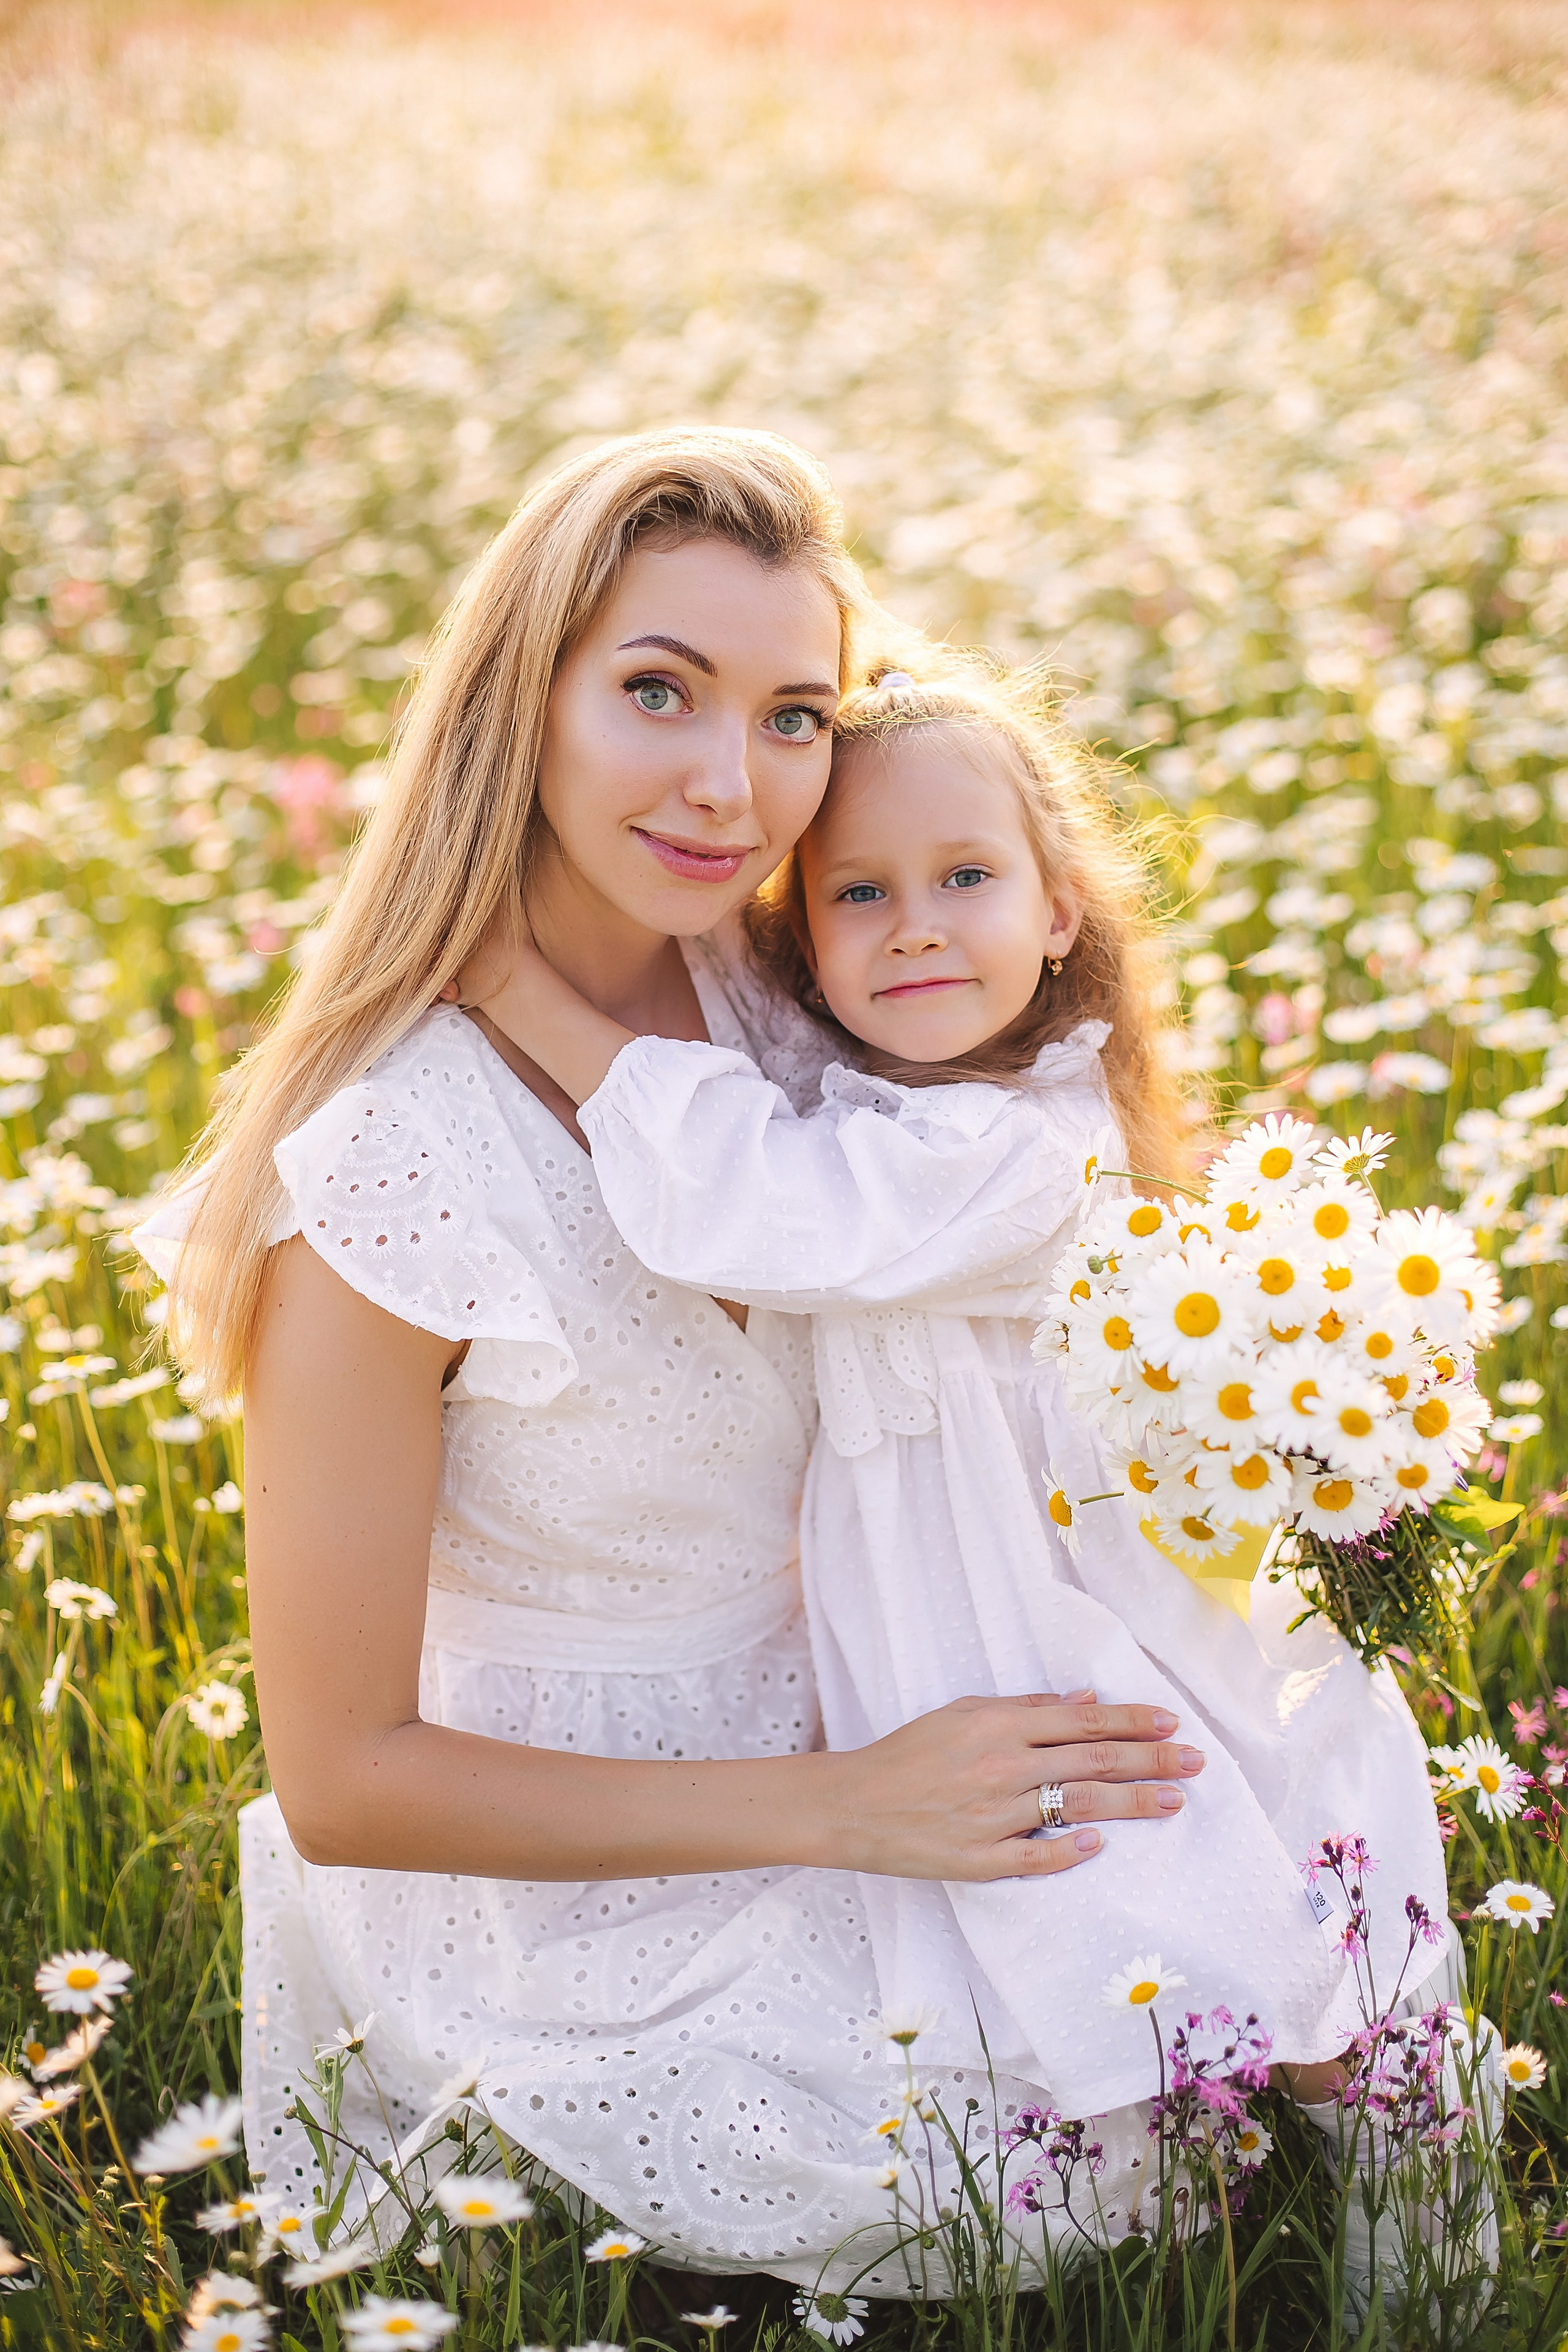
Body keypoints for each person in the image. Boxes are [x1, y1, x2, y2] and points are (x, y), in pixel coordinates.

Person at [134, 429, 1197, 2293]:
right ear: (518, 704)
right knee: (1012, 2171)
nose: (734, 785)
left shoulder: (798, 990)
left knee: (1202, 2031)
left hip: (876, 1727)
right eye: (656, 692)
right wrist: (847, 1810)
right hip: (566, 1880)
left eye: (795, 718)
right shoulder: (391, 1166)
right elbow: (344, 1780)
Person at [450, 662, 1452, 2128]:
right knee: (1088, 1912)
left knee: (1207, 1875)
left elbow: (761, 1194)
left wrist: (508, 986)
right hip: (951, 1628)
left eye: (964, 877)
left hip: (1056, 1621)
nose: (913, 924)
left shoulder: (1025, 1151)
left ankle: (1379, 2160)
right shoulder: (893, 1098)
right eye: (858, 893)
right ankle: (1221, 2132)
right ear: (804, 950)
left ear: (1057, 913)